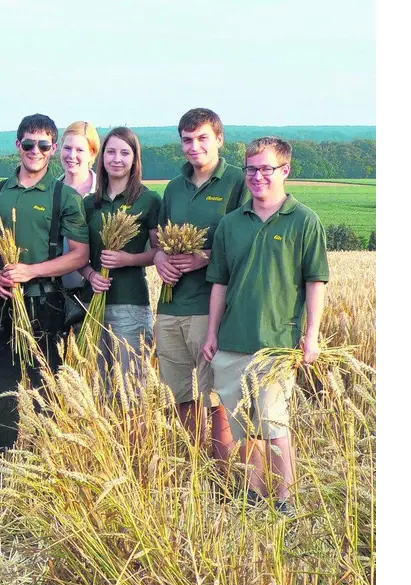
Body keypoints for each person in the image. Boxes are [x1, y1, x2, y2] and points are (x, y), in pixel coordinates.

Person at [201, 137, 329, 515]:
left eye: (266, 169)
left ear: (285, 170)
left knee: (273, 424)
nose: (257, 176)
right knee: (244, 429)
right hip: (232, 341)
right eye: (251, 169)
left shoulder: (304, 220)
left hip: (276, 343)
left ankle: (286, 500)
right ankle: (255, 495)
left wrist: (311, 337)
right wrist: (211, 334)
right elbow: (219, 283)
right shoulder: (230, 224)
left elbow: (314, 282)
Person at [0, 114, 89, 459]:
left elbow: (80, 255)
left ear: (52, 150)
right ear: (17, 145)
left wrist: (32, 271)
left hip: (44, 306)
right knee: (2, 392)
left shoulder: (63, 196)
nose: (35, 151)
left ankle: (43, 466)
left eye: (43, 145)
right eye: (28, 143)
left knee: (44, 392)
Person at [154, 108, 247, 459]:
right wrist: (162, 259)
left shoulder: (239, 182)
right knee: (180, 396)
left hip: (211, 309)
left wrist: (203, 258)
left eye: (202, 138)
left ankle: (222, 474)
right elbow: (159, 240)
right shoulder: (174, 187)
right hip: (170, 307)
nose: (194, 147)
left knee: (215, 398)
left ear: (219, 138)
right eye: (187, 140)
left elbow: (246, 239)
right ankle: (196, 467)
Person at [77, 126, 162, 376]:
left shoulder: (149, 200)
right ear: (102, 157)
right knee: (95, 388)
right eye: (111, 152)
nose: (117, 159)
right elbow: (78, 255)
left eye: (125, 153)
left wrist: (129, 259)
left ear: (135, 158)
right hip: (91, 305)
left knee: (131, 387)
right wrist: (92, 275)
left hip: (131, 304)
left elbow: (159, 252)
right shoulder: (89, 203)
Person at [57, 122, 99, 321]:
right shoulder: (49, 192)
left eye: (80, 149)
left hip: (96, 295)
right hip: (54, 296)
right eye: (67, 148)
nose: (71, 156)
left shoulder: (103, 193)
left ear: (92, 154)